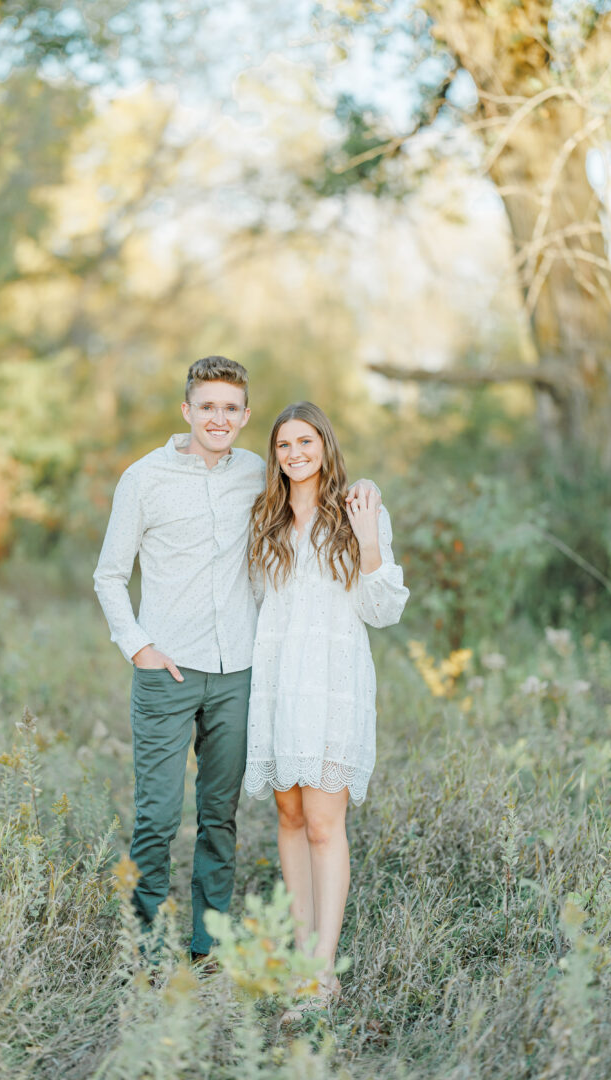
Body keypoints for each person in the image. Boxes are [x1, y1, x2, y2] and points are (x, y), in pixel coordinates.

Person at [93, 357, 377, 964]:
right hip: (166, 670)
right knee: (159, 818)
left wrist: (365, 493)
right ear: (187, 410)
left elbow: (313, 493)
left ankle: (208, 946)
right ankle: (143, 951)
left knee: (220, 818)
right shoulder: (142, 479)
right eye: (207, 406)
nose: (218, 418)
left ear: (244, 416)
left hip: (240, 676)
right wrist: (139, 647)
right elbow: (110, 576)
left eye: (230, 408)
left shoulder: (257, 472)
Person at [244, 401, 409, 1007]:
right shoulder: (264, 517)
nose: (294, 453)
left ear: (325, 445)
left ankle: (323, 971)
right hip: (279, 682)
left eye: (305, 441)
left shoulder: (359, 510)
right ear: (275, 454)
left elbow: (383, 611)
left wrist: (368, 539)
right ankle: (300, 952)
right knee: (288, 818)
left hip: (333, 683)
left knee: (323, 823)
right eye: (284, 444)